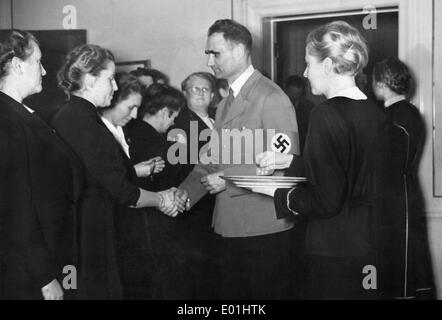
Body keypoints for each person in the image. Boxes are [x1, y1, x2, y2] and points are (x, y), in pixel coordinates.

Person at [252, 21, 400, 299]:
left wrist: (274, 191)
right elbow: (350, 170)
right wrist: (289, 161)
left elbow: (325, 201)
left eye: (309, 63)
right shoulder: (374, 112)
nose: (306, 73)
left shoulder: (325, 114)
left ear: (329, 65)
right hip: (372, 247)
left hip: (335, 251)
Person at [176, 19, 300, 299]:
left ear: (240, 51)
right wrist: (183, 194)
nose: (209, 62)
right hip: (230, 225)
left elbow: (286, 164)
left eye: (215, 53)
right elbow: (211, 161)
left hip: (263, 228)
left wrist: (228, 179)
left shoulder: (272, 98)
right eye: (208, 54)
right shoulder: (224, 104)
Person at [52, 44, 186, 299]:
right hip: (90, 234)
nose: (115, 87)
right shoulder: (80, 122)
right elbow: (118, 188)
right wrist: (161, 199)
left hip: (97, 227)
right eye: (110, 79)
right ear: (91, 80)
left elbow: (115, 175)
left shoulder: (81, 117)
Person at [0, 30, 83, 299]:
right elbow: (14, 208)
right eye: (38, 62)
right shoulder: (7, 121)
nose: (45, 71)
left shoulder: (20, 114)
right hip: (29, 272)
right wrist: (45, 277)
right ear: (17, 65)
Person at [372, 57, 435, 299]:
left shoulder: (395, 117)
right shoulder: (408, 112)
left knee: (401, 269)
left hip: (395, 199)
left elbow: (385, 164)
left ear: (382, 83)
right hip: (404, 193)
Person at [99, 72, 165, 299]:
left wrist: (139, 170)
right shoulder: (98, 131)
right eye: (130, 108)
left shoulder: (123, 130)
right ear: (112, 101)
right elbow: (105, 180)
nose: (135, 114)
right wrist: (135, 171)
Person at [125, 83, 184, 191]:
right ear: (164, 113)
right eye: (174, 117)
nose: (173, 123)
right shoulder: (161, 146)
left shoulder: (127, 132)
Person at [284, 75, 315, 152]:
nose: (295, 97)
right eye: (292, 93)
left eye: (298, 94)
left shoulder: (309, 108)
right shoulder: (277, 105)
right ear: (286, 91)